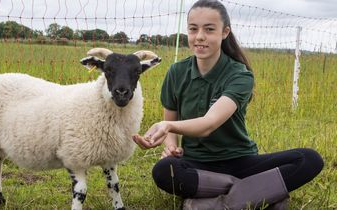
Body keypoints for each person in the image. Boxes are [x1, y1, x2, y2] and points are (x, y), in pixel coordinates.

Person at [132, 0, 324, 209]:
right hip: (197, 166)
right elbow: (171, 120)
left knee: (309, 159)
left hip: (241, 162)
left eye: (209, 29)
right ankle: (260, 192)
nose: (200, 37)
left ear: (225, 32)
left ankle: (218, 203)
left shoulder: (239, 75)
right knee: (163, 170)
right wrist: (170, 146)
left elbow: (209, 123)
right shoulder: (176, 72)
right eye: (193, 29)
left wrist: (168, 126)